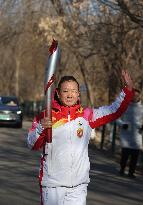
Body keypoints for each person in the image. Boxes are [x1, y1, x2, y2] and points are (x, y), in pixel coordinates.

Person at [27, 70, 134, 205]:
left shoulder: (87, 115)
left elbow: (113, 111)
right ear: (58, 94)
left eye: (73, 91)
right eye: (65, 91)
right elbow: (32, 144)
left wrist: (127, 91)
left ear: (78, 94)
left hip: (78, 186)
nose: (70, 94)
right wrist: (41, 128)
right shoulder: (46, 116)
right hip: (53, 185)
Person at [118, 88, 143, 179]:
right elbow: (117, 118)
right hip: (126, 135)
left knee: (135, 156)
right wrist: (122, 124)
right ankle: (122, 169)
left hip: (137, 135)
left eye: (137, 95)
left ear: (139, 96)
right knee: (125, 155)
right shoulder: (124, 107)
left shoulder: (142, 109)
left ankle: (131, 172)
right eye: (133, 95)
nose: (135, 97)